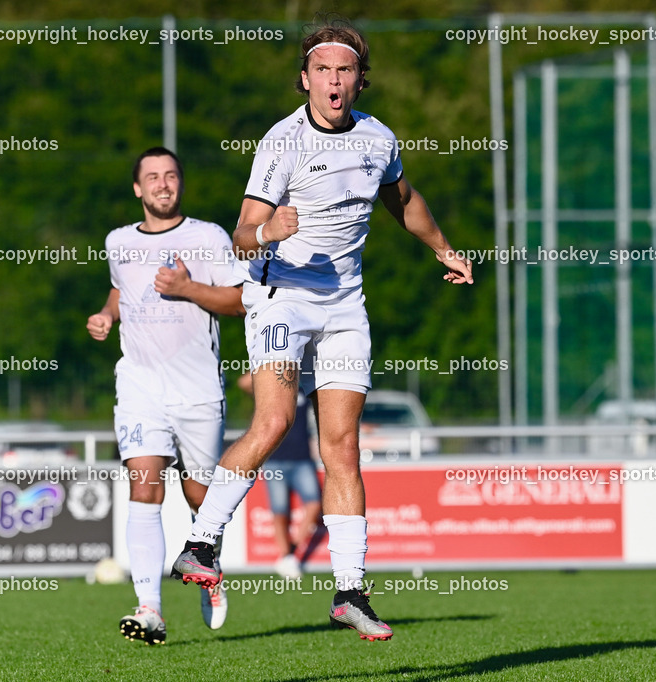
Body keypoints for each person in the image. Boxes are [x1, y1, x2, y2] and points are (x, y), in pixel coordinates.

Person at [172, 21, 473, 641]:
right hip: (280, 298)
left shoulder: (377, 138)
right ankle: (200, 545)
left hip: (344, 307)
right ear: (305, 79)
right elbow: (240, 234)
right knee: (275, 421)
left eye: (346, 71)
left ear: (360, 80)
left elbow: (404, 199)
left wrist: (442, 248)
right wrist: (267, 234)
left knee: (343, 446)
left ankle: (350, 592)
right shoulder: (281, 142)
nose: (335, 82)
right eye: (324, 71)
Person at [87, 147, 245, 645]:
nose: (162, 184)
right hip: (139, 384)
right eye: (152, 177)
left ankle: (207, 567)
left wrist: (188, 288)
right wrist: (108, 314)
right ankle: (149, 607)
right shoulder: (117, 241)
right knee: (144, 484)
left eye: (171, 176)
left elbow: (240, 300)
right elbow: (121, 288)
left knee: (199, 494)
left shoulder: (207, 237)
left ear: (180, 184)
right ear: (137, 189)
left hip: (197, 387)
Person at [237, 372, 322, 579]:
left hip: (302, 459)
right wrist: (276, 366)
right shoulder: (270, 390)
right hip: (274, 458)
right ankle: (287, 557)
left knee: (314, 504)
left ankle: (291, 553)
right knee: (280, 512)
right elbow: (244, 382)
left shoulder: (304, 388)